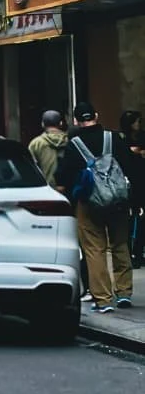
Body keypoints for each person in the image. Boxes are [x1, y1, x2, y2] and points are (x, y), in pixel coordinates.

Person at [57, 101, 134, 312]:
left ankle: (103, 299)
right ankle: (124, 292)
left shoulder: (75, 144)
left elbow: (63, 174)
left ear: (75, 120)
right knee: (120, 245)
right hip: (117, 201)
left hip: (89, 203)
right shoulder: (114, 138)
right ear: (96, 116)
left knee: (94, 250)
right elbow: (129, 166)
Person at [121, 110, 145, 267]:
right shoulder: (122, 139)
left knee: (141, 219)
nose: (139, 124)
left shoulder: (142, 136)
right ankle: (129, 252)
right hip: (129, 182)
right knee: (128, 220)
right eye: (136, 122)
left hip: (141, 180)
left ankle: (138, 250)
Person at [28, 109, 68, 188]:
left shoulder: (36, 143)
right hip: (69, 190)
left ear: (42, 124)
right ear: (61, 123)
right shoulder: (70, 141)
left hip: (46, 190)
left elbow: (30, 170)